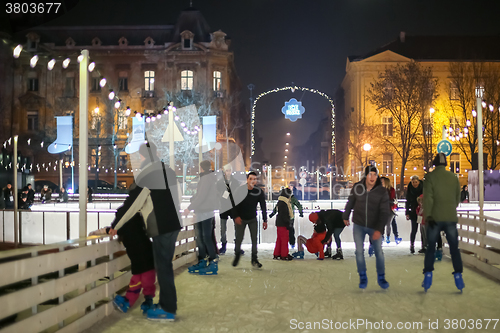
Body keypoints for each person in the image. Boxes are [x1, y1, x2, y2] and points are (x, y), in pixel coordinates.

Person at [110, 142, 182, 321]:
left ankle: (168, 308)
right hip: (173, 224)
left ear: (142, 157)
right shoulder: (168, 171)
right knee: (164, 266)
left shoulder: (148, 175)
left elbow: (132, 204)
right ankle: (166, 304)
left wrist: (115, 225)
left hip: (161, 226)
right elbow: (177, 196)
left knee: (163, 267)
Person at [91, 185, 157, 314]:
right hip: (146, 253)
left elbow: (111, 229)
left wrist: (98, 231)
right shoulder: (138, 219)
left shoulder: (124, 223)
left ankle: (129, 301)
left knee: (138, 279)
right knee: (146, 279)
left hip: (139, 255)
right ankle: (146, 301)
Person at [343, 165, 391, 290]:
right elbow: (351, 202)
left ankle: (381, 277)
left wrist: (379, 229)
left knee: (379, 252)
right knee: (359, 252)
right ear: (366, 176)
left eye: (375, 174)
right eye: (370, 174)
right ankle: (362, 276)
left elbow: (385, 212)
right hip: (359, 224)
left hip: (374, 226)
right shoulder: (358, 187)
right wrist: (345, 216)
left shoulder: (382, 191)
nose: (372, 177)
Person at [422, 153, 464, 292]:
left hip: (434, 218)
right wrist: (451, 208)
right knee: (454, 248)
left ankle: (428, 275)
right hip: (450, 217)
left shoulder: (430, 177)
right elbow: (458, 197)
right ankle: (458, 275)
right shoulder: (453, 177)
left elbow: (428, 198)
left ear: (434, 163)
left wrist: (428, 215)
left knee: (431, 248)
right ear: (446, 164)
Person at [184, 160, 219, 275]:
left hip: (204, 211)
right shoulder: (209, 178)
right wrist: (194, 200)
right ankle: (203, 260)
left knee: (205, 237)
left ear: (202, 168)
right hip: (203, 210)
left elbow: (202, 196)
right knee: (201, 237)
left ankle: (212, 262)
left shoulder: (206, 178)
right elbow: (201, 195)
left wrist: (189, 207)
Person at [230, 171, 268, 268]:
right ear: (247, 180)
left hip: (252, 218)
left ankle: (254, 259)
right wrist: (235, 216)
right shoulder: (240, 190)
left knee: (254, 239)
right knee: (239, 238)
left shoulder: (258, 192)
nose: (252, 181)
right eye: (250, 179)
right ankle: (237, 254)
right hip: (241, 219)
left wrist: (265, 220)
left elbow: (263, 206)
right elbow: (233, 204)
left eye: (254, 179)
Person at [216, 166, 244, 255]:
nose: (228, 172)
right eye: (227, 171)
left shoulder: (235, 182)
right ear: (224, 172)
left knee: (237, 226)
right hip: (223, 207)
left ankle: (237, 246)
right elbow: (217, 193)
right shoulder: (220, 182)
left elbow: (239, 194)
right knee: (223, 228)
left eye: (229, 170)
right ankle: (223, 245)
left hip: (233, 207)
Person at [269, 184, 304, 251]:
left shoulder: (285, 199)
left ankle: (291, 244)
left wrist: (273, 214)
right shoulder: (287, 199)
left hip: (289, 218)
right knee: (288, 231)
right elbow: (299, 205)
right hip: (289, 217)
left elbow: (277, 207)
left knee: (289, 231)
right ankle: (289, 244)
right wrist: (301, 212)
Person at [272, 188, 294, 260]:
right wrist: (288, 223)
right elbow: (284, 215)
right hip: (283, 224)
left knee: (279, 239)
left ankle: (277, 253)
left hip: (279, 223)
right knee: (284, 239)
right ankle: (284, 254)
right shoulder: (284, 203)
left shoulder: (280, 201)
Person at [406, 175, 424, 254]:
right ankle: (412, 245)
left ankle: (424, 246)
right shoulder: (409, 189)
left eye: (416, 182)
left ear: (419, 182)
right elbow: (408, 201)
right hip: (413, 211)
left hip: (422, 210)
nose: (414, 184)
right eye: (413, 182)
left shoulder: (423, 188)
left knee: (423, 230)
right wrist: (407, 212)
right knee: (414, 229)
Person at [381, 177, 402, 244]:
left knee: (389, 223)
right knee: (389, 223)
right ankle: (391, 237)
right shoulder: (380, 189)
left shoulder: (391, 190)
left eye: (382, 181)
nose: (381, 183)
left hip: (389, 208)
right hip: (383, 208)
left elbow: (393, 198)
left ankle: (388, 237)